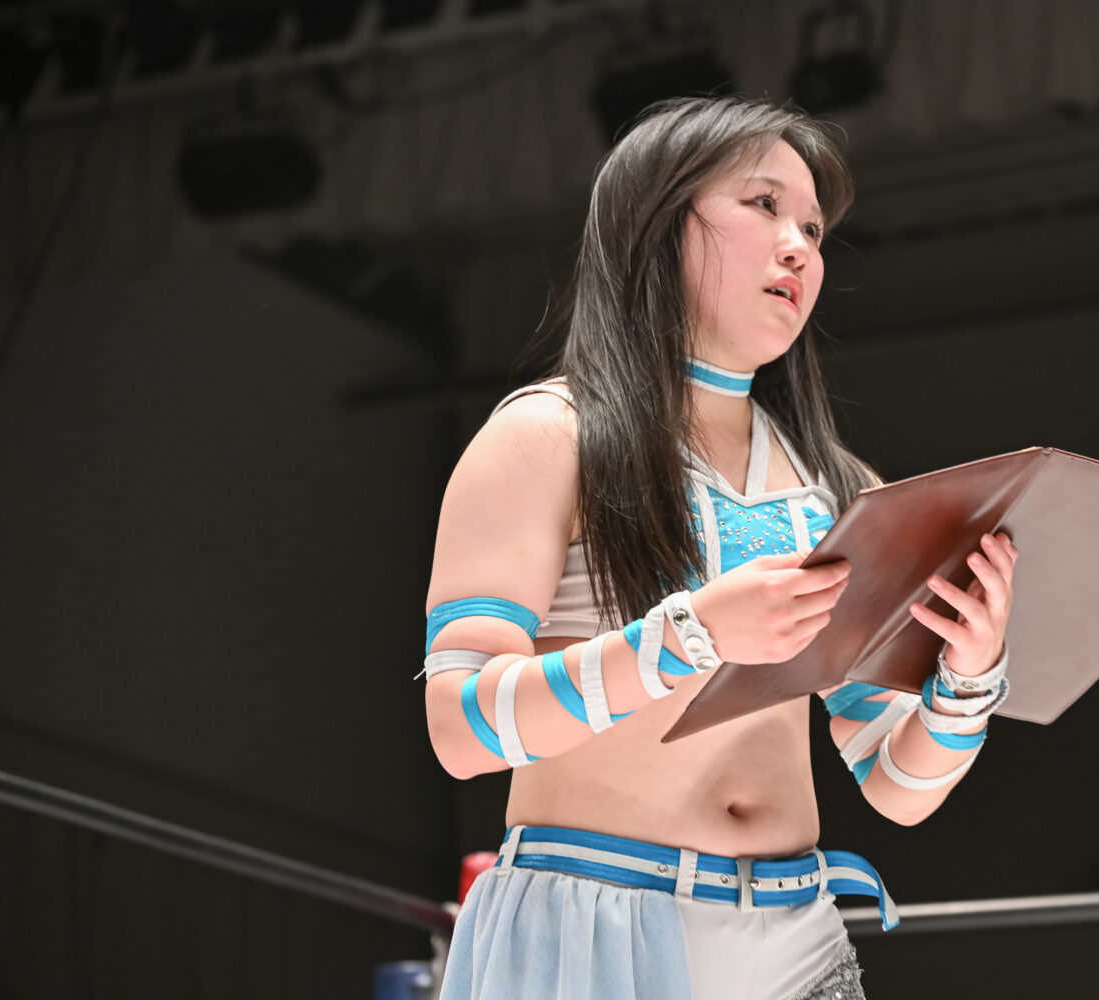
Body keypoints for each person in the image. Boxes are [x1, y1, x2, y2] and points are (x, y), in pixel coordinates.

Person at [421, 95, 1017, 1000]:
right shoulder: (548, 434)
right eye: (764, 204)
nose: (799, 246)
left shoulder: (838, 484)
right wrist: (688, 637)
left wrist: (966, 682)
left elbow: (896, 783)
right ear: (657, 222)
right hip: (596, 917)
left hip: (798, 932)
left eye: (813, 228)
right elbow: (460, 729)